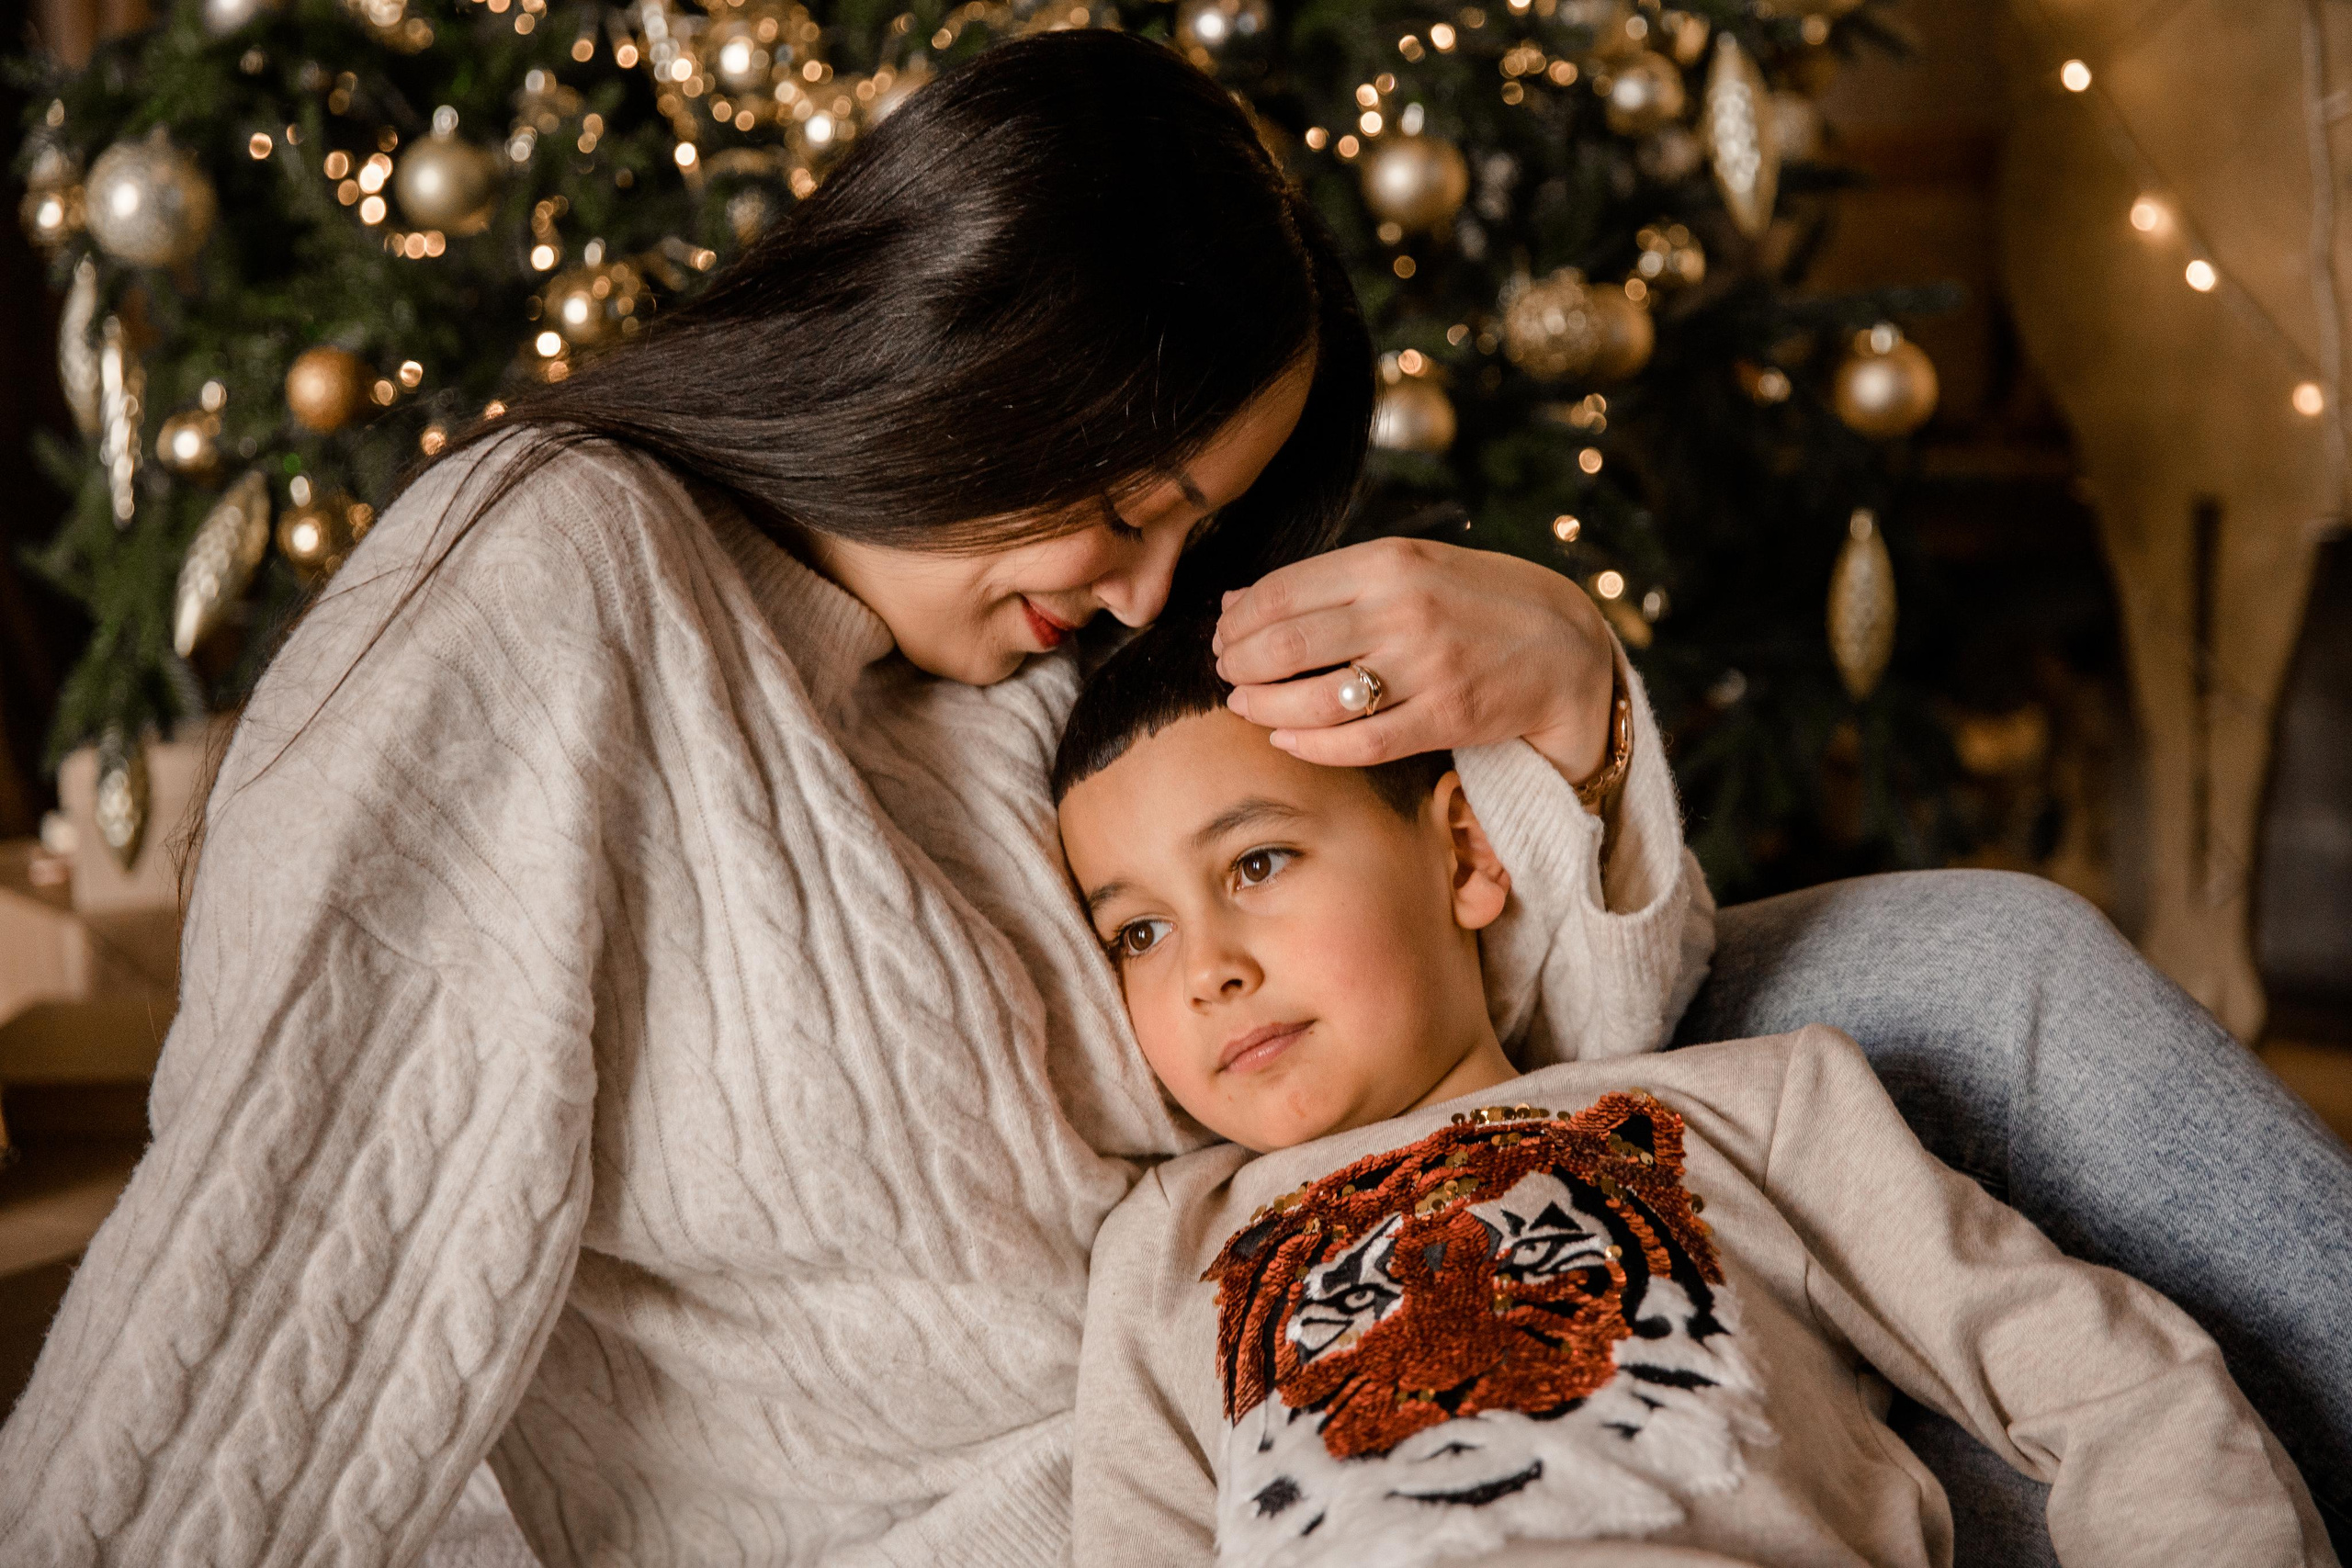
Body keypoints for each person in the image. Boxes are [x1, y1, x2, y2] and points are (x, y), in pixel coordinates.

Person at [0, 26, 2342, 1568]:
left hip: (1426, 1286)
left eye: (1185, 520)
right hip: (1147, 1475)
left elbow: (1523, 1032)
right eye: (1118, 492)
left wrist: (1565, 704)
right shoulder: (559, 581)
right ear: (969, 349)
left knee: (1986, 981)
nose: (1139, 580)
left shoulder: (1043, 649)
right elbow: (292, 1233)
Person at [1053, 615, 2335, 1567]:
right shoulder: (1166, 1256)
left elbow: (2111, 1382)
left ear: (1462, 850)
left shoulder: (1761, 1109)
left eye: (1258, 861)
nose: (1208, 967)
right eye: (1138, 935)